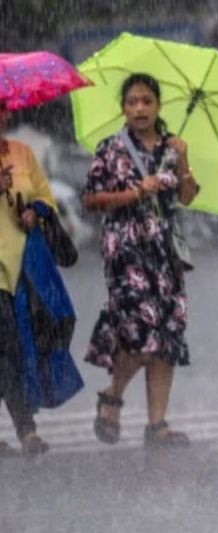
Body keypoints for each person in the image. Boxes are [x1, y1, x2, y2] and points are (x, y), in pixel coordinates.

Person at [82, 73, 199, 449]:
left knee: (165, 334)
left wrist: (183, 160)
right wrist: (134, 192)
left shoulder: (171, 146)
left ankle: (157, 424)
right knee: (138, 330)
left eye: (146, 101)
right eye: (132, 102)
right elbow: (91, 199)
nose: (139, 108)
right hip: (126, 249)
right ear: (123, 108)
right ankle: (112, 397)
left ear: (158, 105)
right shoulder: (110, 149)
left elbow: (188, 195)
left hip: (165, 251)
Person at [0, 98, 57, 457]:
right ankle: (26, 430)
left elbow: (46, 200)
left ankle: (26, 430)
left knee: (15, 350)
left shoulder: (21, 153)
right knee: (8, 348)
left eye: (1, 108)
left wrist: (34, 213)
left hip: (20, 270)